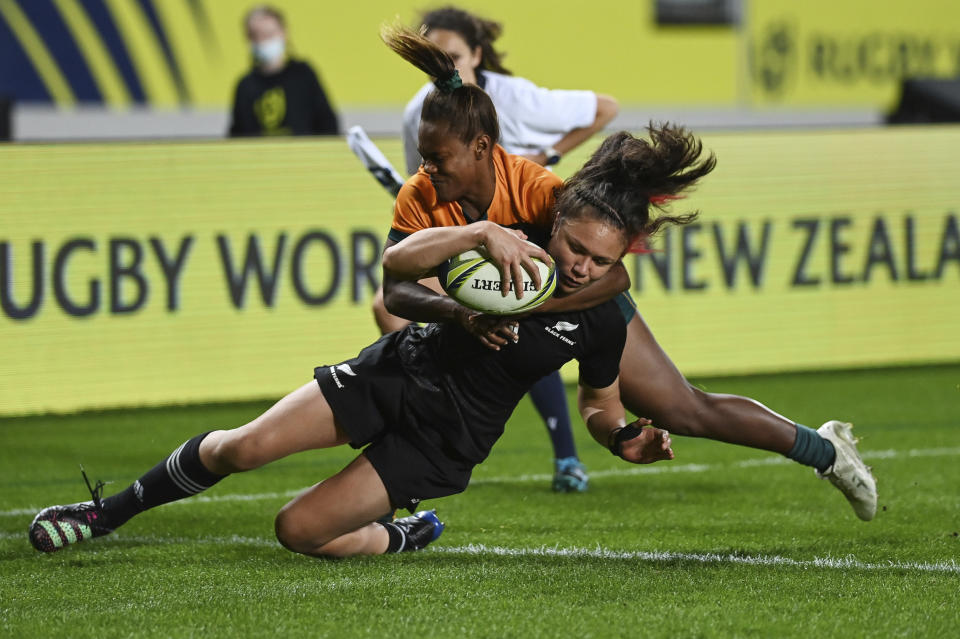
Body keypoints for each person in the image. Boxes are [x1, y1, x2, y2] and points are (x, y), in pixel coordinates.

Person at [27, 119, 706, 556]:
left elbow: (599, 401)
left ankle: (397, 535)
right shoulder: (507, 239)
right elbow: (397, 269)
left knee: (296, 530)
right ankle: (106, 513)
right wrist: (472, 248)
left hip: (449, 438)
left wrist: (622, 437)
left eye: (602, 258)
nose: (584, 263)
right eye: (577, 244)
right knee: (243, 446)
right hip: (401, 372)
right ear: (555, 221)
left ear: (623, 258)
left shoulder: (603, 310)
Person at [380, 27, 878, 522]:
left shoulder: (537, 189)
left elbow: (613, 277)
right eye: (425, 156)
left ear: (480, 147)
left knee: (683, 411)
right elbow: (396, 289)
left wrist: (529, 305)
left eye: (437, 158)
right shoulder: (422, 193)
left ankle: (825, 451)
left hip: (583, 295)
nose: (428, 167)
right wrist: (465, 311)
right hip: (515, 304)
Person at [377, 6, 620, 493]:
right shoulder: (418, 120)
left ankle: (568, 454)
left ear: (477, 54)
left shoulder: (518, 109)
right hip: (472, 244)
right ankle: (405, 445)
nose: (446, 66)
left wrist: (550, 156)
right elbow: (426, 202)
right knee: (390, 308)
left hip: (558, 259)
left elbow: (605, 109)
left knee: (680, 406)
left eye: (454, 56)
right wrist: (460, 305)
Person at [228, 5, 339, 137]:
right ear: (249, 39)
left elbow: (328, 123)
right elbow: (237, 135)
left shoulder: (303, 75)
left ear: (283, 33)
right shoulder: (245, 85)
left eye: (269, 34)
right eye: (257, 35)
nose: (264, 41)